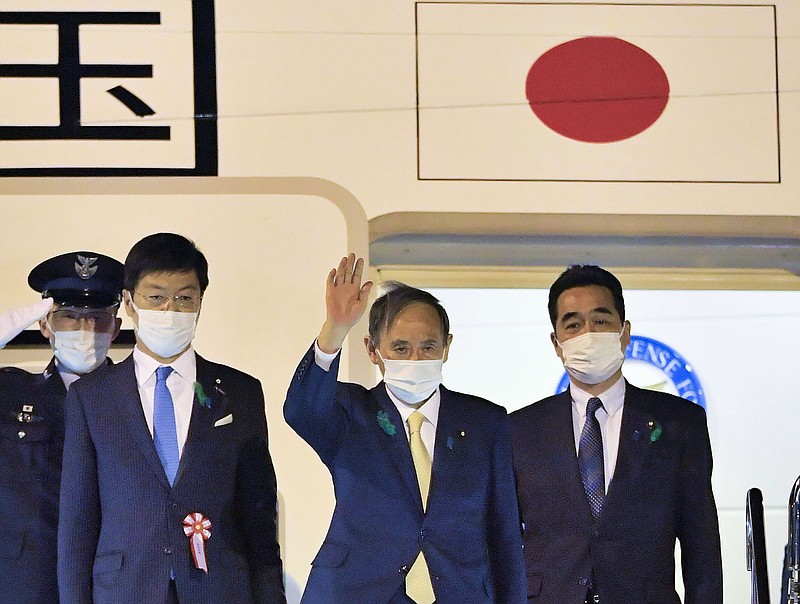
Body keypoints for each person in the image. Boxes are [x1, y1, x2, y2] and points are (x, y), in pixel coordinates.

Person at [284, 254, 526, 604]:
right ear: (372, 350)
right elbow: (301, 410)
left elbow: (504, 534)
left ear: (447, 347)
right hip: (358, 592)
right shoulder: (351, 413)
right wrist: (333, 332)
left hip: (461, 592)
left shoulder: (484, 421)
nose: (415, 359)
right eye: (400, 348)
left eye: (428, 347)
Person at [57, 233, 285, 604]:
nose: (170, 310)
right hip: (125, 589)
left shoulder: (240, 392)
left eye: (184, 298)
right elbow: (76, 528)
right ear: (130, 302)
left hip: (220, 588)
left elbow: (259, 519)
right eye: (157, 297)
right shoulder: (91, 397)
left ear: (200, 303)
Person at [510, 265, 722, 604]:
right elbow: (501, 540)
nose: (587, 334)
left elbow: (701, 544)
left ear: (624, 332)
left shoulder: (680, 423)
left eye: (600, 320)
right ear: (556, 341)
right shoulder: (519, 430)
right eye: (573, 324)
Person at [0, 250, 123, 604]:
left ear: (115, 327)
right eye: (69, 317)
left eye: (98, 318)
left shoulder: (139, 400)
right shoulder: (10, 392)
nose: (85, 330)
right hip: (24, 579)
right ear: (45, 324)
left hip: (110, 580)